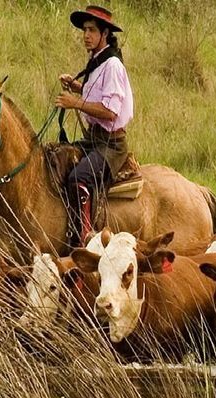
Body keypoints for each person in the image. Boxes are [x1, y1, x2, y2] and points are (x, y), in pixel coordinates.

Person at [55, 5, 133, 246]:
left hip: (110, 144)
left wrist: (76, 103)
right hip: (94, 139)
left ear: (105, 34)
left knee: (79, 177)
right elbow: (100, 96)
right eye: (84, 30)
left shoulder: (112, 66)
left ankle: (84, 238)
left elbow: (110, 111)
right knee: (57, 156)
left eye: (91, 30)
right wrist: (78, 87)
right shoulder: (97, 61)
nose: (86, 35)